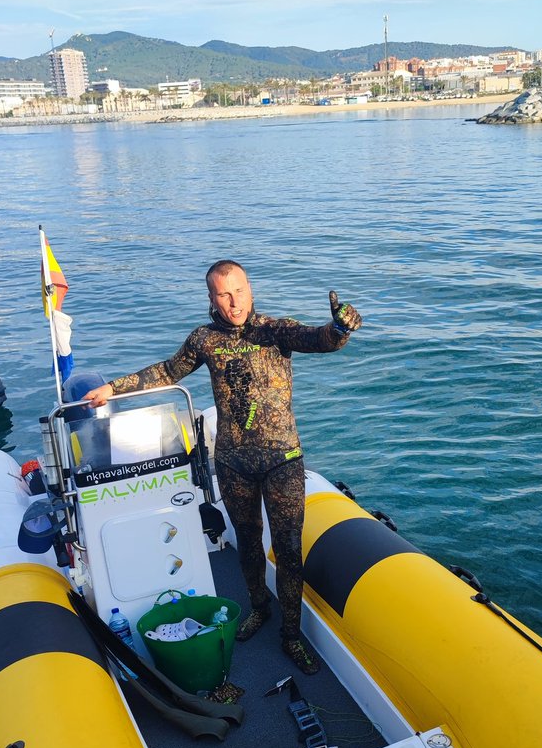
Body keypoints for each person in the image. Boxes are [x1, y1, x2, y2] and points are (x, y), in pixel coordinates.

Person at [84, 259, 362, 675]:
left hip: (282, 459)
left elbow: (319, 339)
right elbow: (166, 370)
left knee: (288, 550)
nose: (234, 303)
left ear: (251, 290)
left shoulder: (275, 330)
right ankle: (258, 609)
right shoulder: (205, 339)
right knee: (247, 544)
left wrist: (340, 328)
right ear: (212, 298)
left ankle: (291, 635)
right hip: (232, 463)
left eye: (240, 291)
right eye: (224, 294)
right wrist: (113, 388)